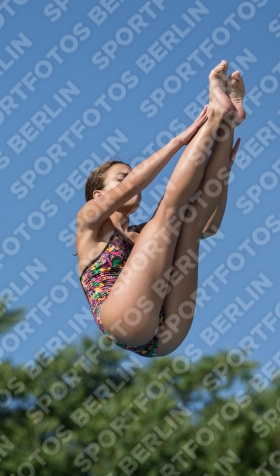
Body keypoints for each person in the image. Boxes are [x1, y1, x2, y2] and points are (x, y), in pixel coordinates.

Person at [76, 60, 246, 358]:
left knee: (188, 224)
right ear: (98, 194)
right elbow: (140, 182)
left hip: (163, 337)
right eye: (121, 177)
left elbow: (210, 226)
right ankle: (216, 114)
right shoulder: (88, 222)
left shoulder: (143, 235)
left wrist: (222, 173)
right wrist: (181, 140)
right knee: (169, 211)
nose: (131, 181)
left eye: (130, 174)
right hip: (127, 322)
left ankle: (228, 122)